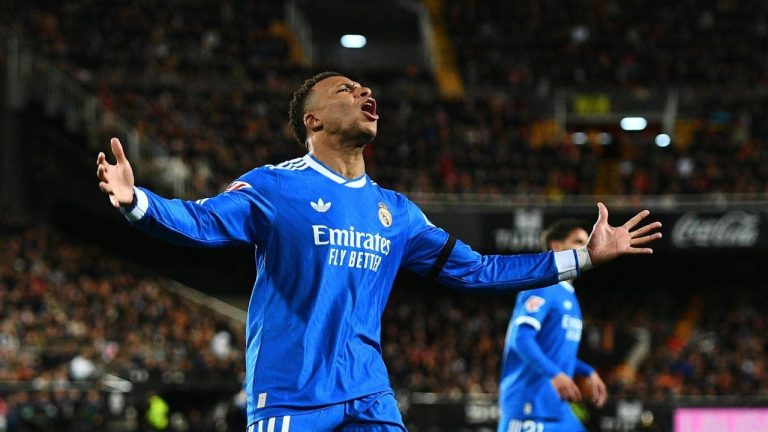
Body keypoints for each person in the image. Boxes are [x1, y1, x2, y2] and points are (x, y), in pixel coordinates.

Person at [96, 71, 661, 431]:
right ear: (311, 120)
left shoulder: (398, 213)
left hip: (369, 394)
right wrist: (136, 201)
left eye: (366, 90)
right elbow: (200, 222)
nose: (365, 93)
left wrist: (583, 258)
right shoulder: (274, 187)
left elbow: (478, 270)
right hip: (291, 395)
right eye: (345, 89)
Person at [497, 220, 608, 432]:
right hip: (528, 408)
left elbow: (556, 354)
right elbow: (520, 339)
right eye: (578, 242)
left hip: (556, 408)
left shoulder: (569, 296)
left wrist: (588, 371)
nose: (586, 248)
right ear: (556, 246)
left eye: (587, 242)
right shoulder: (542, 285)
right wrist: (555, 375)